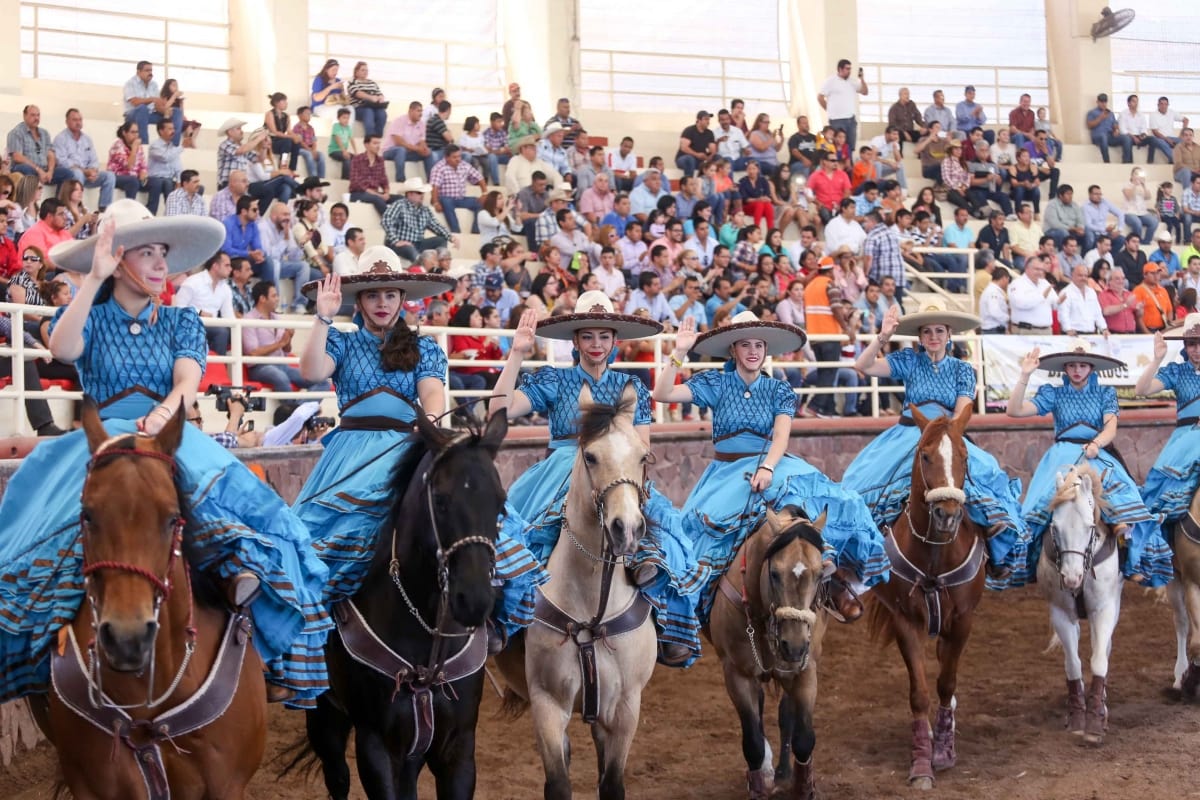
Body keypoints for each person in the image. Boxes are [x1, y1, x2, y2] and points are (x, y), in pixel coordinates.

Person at [0, 199, 330, 705]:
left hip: (167, 428)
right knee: (52, 517)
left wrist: (167, 411)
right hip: (103, 433)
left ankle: (234, 587)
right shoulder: (88, 312)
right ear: (120, 258)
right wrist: (93, 278)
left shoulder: (180, 321)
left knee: (223, 502)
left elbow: (188, 380)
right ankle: (48, 631)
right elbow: (64, 350)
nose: (161, 264)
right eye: (148, 252)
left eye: (163, 253)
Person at [295, 250, 544, 646]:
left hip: (409, 441)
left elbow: (432, 394)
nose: (382, 303)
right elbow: (310, 370)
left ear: (401, 299)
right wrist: (323, 317)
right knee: (313, 539)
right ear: (359, 301)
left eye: (390, 295)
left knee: (482, 519)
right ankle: (317, 635)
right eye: (373, 295)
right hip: (351, 454)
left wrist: (428, 425)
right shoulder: (341, 343)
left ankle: (491, 617)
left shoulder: (425, 348)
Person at [488, 299, 707, 667]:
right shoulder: (554, 379)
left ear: (614, 340)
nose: (596, 343)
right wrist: (516, 355)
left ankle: (670, 623)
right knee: (511, 533)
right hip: (561, 470)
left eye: (604, 336)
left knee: (666, 533)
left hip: (620, 469)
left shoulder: (630, 384)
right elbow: (498, 410)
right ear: (574, 341)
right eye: (587, 336)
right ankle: (504, 619)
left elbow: (643, 446)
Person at [664, 311, 886, 609]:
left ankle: (830, 571)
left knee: (824, 500)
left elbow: (782, 434)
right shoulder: (715, 384)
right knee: (693, 534)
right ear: (733, 349)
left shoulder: (778, 388)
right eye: (745, 345)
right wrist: (679, 352)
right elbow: (662, 392)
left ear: (766, 350)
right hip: (727, 471)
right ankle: (703, 607)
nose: (753, 351)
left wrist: (768, 466)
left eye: (759, 345)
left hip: (773, 464)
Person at [844, 301, 1028, 583]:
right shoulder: (908, 360)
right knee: (863, 484)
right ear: (920, 337)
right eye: (927, 331)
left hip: (948, 435)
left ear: (949, 334)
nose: (933, 336)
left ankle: (993, 549)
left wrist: (948, 437)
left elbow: (962, 410)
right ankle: (869, 551)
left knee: (983, 477)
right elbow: (862, 365)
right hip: (907, 434)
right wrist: (883, 337)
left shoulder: (962, 370)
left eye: (939, 331)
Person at [1007, 343, 1172, 588]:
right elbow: (1014, 410)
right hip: (1061, 456)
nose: (1076, 370)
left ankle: (1127, 553)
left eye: (1082, 365)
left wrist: (1097, 443)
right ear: (1065, 368)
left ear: (1091, 368)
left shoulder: (1105, 393)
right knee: (1038, 505)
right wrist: (1025, 375)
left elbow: (1111, 427)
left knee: (1123, 492)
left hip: (1096, 450)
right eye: (1072, 365)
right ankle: (1031, 562)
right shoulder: (1054, 393)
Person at [1137, 318, 1200, 529]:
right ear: (1185, 346)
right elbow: (1141, 391)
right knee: (1159, 498)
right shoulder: (1177, 371)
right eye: (1192, 344)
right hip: (1185, 439)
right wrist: (1156, 360)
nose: (1197, 350)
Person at [122, 61, 184, 145]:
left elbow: (157, 105)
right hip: (133, 115)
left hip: (151, 115)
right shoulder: (130, 83)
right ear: (138, 72)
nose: (150, 73)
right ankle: (144, 144)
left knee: (176, 111)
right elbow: (135, 102)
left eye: (151, 70)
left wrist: (167, 111)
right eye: (147, 70)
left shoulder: (154, 85)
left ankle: (174, 145)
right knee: (142, 108)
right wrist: (151, 99)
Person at [819, 58, 868, 154]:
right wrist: (828, 110)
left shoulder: (853, 81)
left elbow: (865, 92)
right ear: (840, 69)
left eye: (850, 69)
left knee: (850, 145)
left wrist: (862, 79)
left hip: (850, 119)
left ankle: (849, 165)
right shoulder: (830, 81)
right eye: (847, 69)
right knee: (837, 146)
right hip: (836, 119)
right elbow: (820, 97)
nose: (849, 71)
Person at [345, 60, 389, 138]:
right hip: (360, 108)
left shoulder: (372, 83)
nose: (365, 72)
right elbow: (357, 93)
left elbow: (379, 93)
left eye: (366, 70)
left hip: (374, 106)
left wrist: (380, 98)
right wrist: (371, 97)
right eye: (363, 70)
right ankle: (370, 138)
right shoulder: (352, 82)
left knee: (382, 113)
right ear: (356, 72)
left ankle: (378, 138)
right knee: (368, 112)